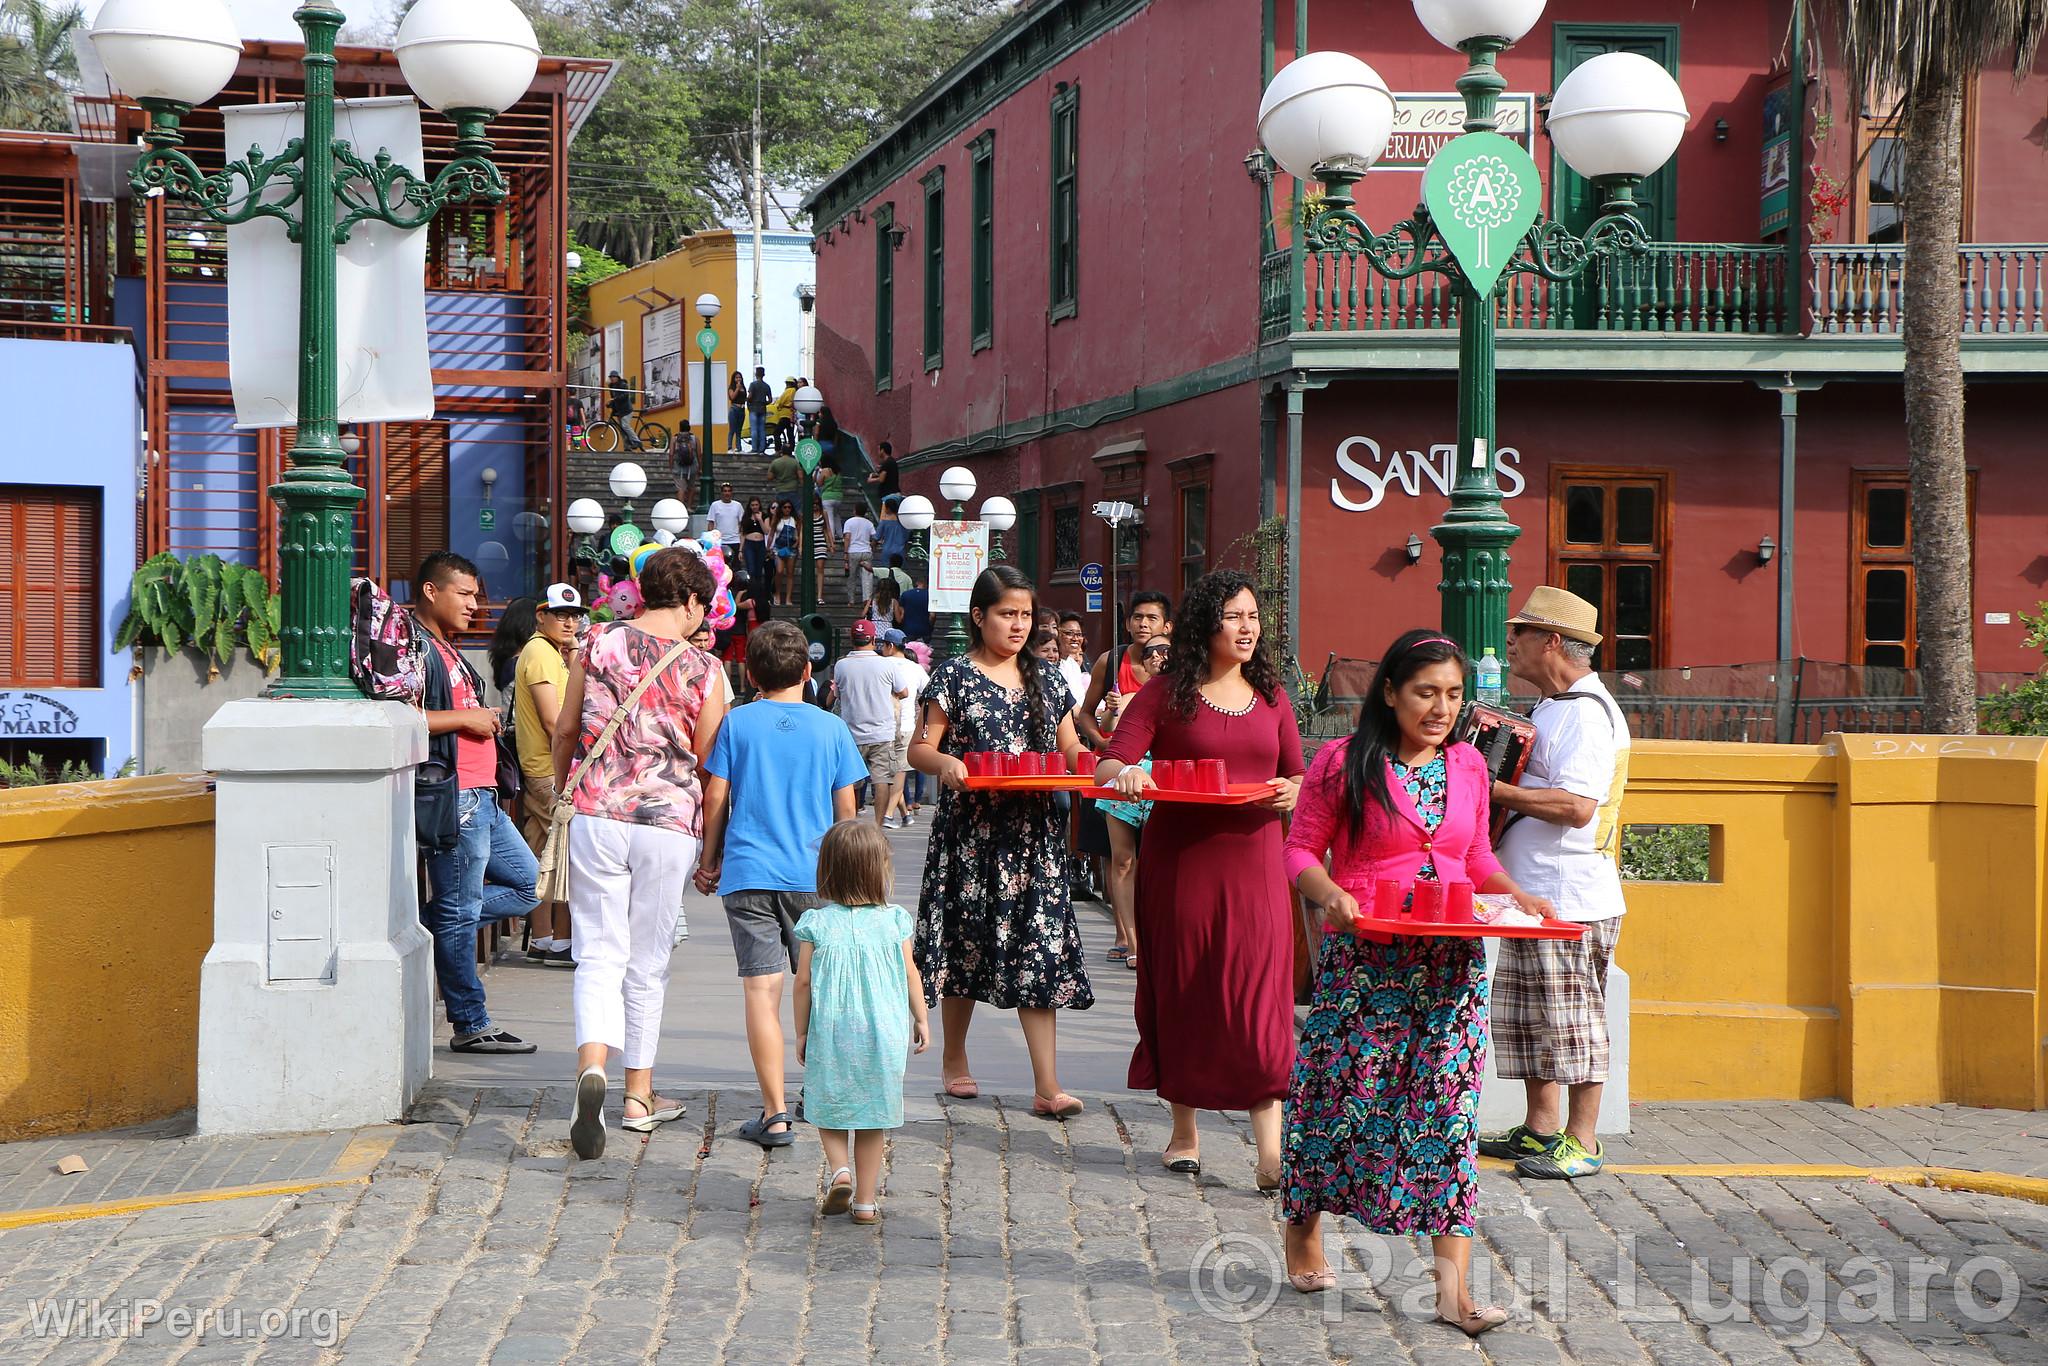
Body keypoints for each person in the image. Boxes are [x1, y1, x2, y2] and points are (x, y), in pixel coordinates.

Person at [1278, 630, 1553, 1333]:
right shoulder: (1344, 762)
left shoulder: (1466, 764)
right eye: (1426, 692)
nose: (1441, 707)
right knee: (1341, 1100)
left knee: (1449, 1120)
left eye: (1454, 694)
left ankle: (1453, 1293)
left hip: (1450, 969)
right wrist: (1329, 892)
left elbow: (1475, 854)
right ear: (1392, 693)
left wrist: (1514, 895)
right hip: (1366, 964)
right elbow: (1301, 847)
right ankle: (1303, 1230)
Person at [1098, 571, 1302, 1177]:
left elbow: (1299, 774)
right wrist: (1127, 775)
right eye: (1235, 616)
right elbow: (1111, 760)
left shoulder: (1273, 695)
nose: (1248, 628)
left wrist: (1293, 791)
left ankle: (1270, 1150)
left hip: (1259, 865)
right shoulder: (1164, 693)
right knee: (1186, 990)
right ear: (1207, 623)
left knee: (1262, 998)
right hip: (1182, 866)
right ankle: (1183, 1129)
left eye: (1254, 617)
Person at [553, 548, 728, 1159]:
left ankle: (591, 1068)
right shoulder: (705, 669)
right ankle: (637, 1096)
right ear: (691, 603)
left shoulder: (595, 643)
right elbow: (712, 765)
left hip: (597, 815)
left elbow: (568, 730)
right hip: (667, 821)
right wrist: (713, 848)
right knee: (647, 961)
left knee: (597, 953)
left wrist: (561, 787)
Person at [908, 564, 1091, 1116]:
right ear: (978, 616)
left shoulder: (1048, 678)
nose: (1018, 625)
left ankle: (1047, 1085)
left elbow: (1070, 751)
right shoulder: (954, 675)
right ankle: (955, 1061)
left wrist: (1104, 770)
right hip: (971, 834)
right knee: (965, 945)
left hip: (1034, 836)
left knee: (1038, 949)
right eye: (1007, 614)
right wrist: (945, 763)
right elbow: (920, 748)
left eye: (1025, 614)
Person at [695, 621, 867, 1150]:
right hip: (815, 877)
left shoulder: (737, 723)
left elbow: (716, 797)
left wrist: (708, 860)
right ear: (809, 671)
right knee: (817, 988)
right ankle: (819, 1097)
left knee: (760, 991)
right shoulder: (831, 728)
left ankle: (773, 1114)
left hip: (749, 873)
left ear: (750, 673)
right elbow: (847, 810)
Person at [1480, 587, 1632, 1181]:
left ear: (1549, 641)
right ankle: (1540, 1130)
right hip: (1539, 891)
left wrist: (1496, 793)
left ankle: (1584, 1141)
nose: (1509, 644)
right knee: (1533, 1019)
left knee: (1575, 1022)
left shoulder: (1586, 715)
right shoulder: (1557, 705)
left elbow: (1576, 806)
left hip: (1570, 896)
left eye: (1518, 633)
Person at [412, 552, 538, 1054]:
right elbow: (404, 717)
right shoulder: (416, 647)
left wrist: (475, 715)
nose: (474, 604)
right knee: (460, 909)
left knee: (529, 884)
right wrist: (466, 719)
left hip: (482, 793)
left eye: (474, 594)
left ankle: (426, 923)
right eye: (463, 594)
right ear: (431, 591)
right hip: (455, 795)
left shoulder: (449, 648)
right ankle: (470, 1021)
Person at [794, 821, 928, 1224]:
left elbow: (803, 983)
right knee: (873, 1116)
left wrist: (801, 1031)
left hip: (832, 1029)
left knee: (827, 1104)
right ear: (879, 870)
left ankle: (840, 1170)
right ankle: (866, 1202)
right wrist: (921, 1018)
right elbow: (910, 974)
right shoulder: (894, 921)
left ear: (828, 870)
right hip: (883, 1032)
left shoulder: (817, 924)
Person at [513, 584, 587, 964]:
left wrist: (573, 653)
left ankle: (543, 938)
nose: (569, 621)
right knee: (567, 857)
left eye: (574, 615)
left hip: (540, 769)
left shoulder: (550, 652)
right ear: (541, 616)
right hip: (550, 771)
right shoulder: (541, 653)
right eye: (560, 614)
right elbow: (551, 720)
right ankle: (562, 941)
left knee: (540, 855)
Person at [1095, 636, 1167, 964]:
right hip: (1124, 778)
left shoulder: (1180, 696)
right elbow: (1107, 729)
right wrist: (1111, 710)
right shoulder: (1126, 696)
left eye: (1167, 651)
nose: (1160, 658)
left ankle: (1158, 937)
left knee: (1158, 861)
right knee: (1123, 860)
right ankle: (1133, 941)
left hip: (1162, 783)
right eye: (1153, 652)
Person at [832, 620, 911, 831]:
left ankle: (849, 825)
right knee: (882, 780)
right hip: (882, 732)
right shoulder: (887, 664)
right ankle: (878, 826)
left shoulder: (841, 665)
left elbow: (837, 694)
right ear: (874, 639)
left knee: (850, 780)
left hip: (851, 733)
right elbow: (904, 692)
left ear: (851, 639)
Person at [879, 628, 927, 830]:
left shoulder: (879, 665)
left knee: (890, 772)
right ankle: (904, 814)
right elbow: (929, 693)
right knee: (899, 771)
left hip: (881, 725)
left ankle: (888, 815)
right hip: (906, 725)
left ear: (889, 646)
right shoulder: (915, 668)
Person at [842, 504, 877, 606]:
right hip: (866, 551)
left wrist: (845, 552)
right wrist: (872, 547)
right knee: (867, 577)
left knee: (851, 577)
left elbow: (847, 537)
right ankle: (867, 600)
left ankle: (851, 600)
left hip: (853, 551)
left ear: (854, 510)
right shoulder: (869, 523)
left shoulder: (849, 522)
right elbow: (875, 537)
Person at [1056, 613, 1090, 710]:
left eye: (1079, 634)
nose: (1075, 639)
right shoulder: (1052, 666)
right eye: (1069, 633)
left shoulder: (1073, 665)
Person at [741, 497, 772, 597]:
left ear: (759, 505)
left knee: (759, 570)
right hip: (749, 544)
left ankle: (758, 593)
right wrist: (740, 550)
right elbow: (743, 533)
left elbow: (766, 531)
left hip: (760, 544)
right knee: (751, 569)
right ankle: (751, 592)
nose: (754, 507)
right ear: (750, 506)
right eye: (752, 505)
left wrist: (760, 520)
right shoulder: (746, 517)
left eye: (756, 505)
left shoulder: (765, 516)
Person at [771, 500, 800, 606]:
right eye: (785, 507)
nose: (787, 509)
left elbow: (799, 533)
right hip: (778, 547)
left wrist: (797, 544)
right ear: (781, 509)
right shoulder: (777, 519)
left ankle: (788, 598)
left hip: (791, 548)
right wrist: (769, 547)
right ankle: (777, 594)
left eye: (789, 507)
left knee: (790, 573)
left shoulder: (795, 519)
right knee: (779, 571)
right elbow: (771, 533)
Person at [708, 483, 745, 559]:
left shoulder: (738, 505)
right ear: (721, 493)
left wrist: (741, 546)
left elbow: (742, 525)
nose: (727, 493)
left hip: (735, 541)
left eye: (729, 491)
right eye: (725, 491)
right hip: (720, 542)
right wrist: (711, 541)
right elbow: (711, 523)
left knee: (735, 567)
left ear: (731, 493)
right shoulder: (715, 505)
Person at [876, 499, 909, 582]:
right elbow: (907, 536)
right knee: (900, 575)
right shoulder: (904, 522)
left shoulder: (884, 522)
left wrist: (872, 546)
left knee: (886, 574)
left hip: (887, 551)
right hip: (900, 551)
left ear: (888, 509)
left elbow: (877, 537)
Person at [816, 456, 846, 543]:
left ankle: (831, 538)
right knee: (836, 516)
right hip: (838, 497)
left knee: (829, 518)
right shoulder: (838, 471)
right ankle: (841, 535)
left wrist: (818, 472)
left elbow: (819, 483)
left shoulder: (825, 470)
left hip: (828, 497)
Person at [898, 569, 931, 643]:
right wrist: (930, 625)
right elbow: (932, 616)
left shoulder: (905, 594)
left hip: (908, 629)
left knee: (908, 649)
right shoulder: (930, 595)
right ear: (927, 584)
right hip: (924, 630)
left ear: (917, 583)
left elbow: (901, 613)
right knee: (923, 651)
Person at [746, 366, 773, 454]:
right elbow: (770, 400)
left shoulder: (753, 384)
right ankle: (761, 449)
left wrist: (747, 400)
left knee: (754, 429)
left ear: (756, 374)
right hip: (762, 409)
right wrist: (764, 403)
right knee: (762, 429)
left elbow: (750, 396)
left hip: (753, 408)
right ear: (764, 374)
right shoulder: (766, 386)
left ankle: (754, 448)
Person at [768, 376, 798, 451]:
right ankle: (791, 449)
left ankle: (778, 449)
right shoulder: (795, 391)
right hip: (791, 415)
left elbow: (781, 400)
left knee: (776, 433)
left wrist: (777, 405)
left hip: (785, 415)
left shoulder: (789, 390)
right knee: (790, 434)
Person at [671, 429, 698, 498]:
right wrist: (700, 467)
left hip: (679, 468)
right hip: (692, 468)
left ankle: (681, 507)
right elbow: (699, 454)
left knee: (681, 488)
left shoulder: (674, 439)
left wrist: (671, 465)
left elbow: (671, 454)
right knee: (691, 487)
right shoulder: (695, 439)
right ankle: (689, 507)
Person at [726, 371, 748, 455]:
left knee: (739, 430)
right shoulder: (731, 387)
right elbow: (732, 397)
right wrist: (737, 388)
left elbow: (744, 398)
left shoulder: (744, 387)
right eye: (736, 377)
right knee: (732, 429)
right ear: (733, 379)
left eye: (740, 377)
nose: (738, 379)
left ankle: (739, 448)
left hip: (742, 410)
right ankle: (729, 447)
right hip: (734, 409)